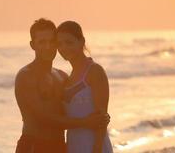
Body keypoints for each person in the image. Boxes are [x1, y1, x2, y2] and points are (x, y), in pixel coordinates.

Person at [14, 18, 109, 153]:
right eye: (42, 42)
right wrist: (85, 122)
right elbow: (43, 117)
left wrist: (102, 117)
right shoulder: (26, 76)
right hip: (35, 146)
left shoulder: (62, 77)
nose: (48, 47)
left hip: (61, 146)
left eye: (52, 41)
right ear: (32, 45)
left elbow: (76, 107)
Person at [56, 21, 113, 153]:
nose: (64, 47)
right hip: (73, 145)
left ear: (81, 41)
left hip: (94, 145)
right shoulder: (67, 78)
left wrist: (97, 148)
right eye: (59, 44)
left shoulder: (94, 71)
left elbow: (102, 117)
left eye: (69, 42)